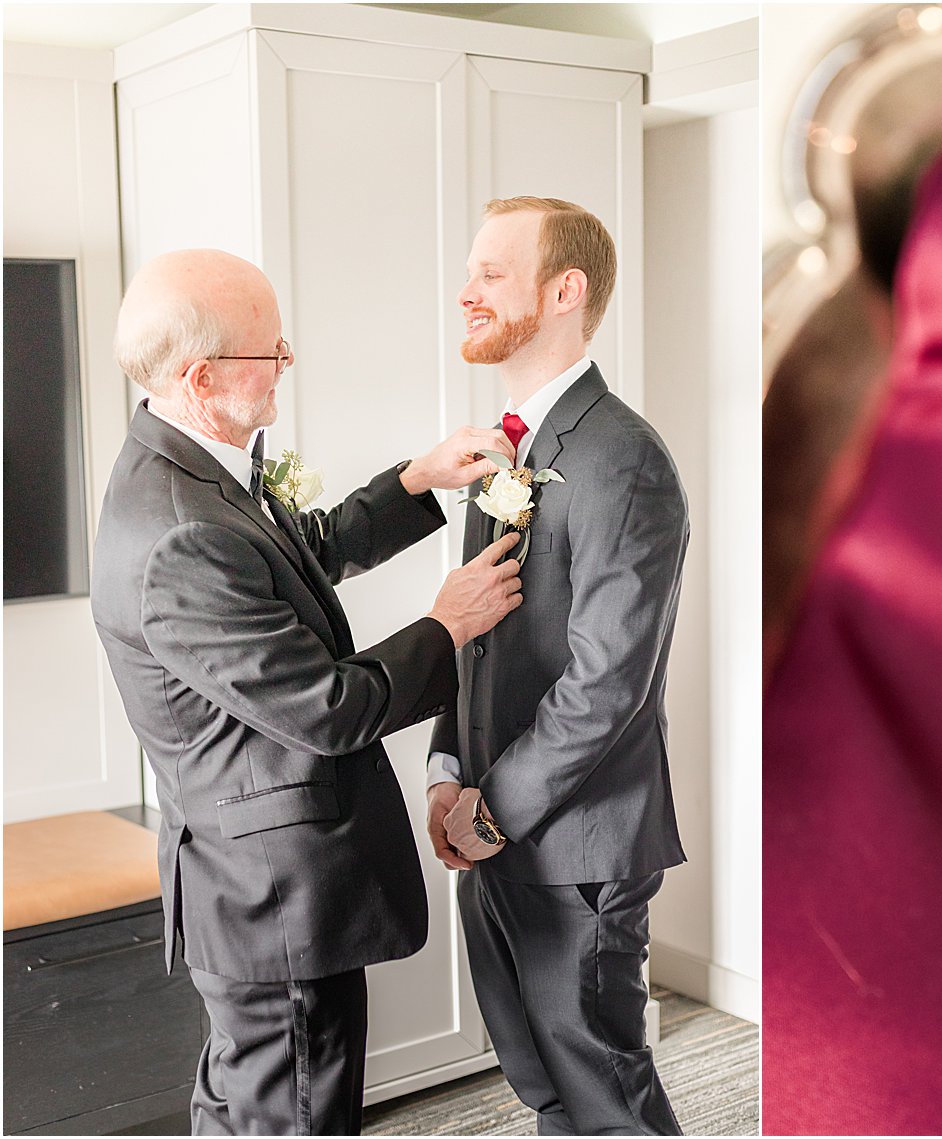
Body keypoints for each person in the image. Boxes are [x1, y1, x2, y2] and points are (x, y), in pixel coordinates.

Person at [91, 248, 524, 1135]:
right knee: (297, 1116)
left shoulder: (188, 461)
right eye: (272, 352)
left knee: (249, 1107)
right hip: (269, 895)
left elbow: (294, 557)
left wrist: (416, 482)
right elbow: (327, 709)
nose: (287, 364)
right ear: (202, 375)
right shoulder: (178, 533)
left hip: (248, 882)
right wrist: (450, 625)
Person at [426, 196, 689, 1135]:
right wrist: (447, 768)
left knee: (605, 1094)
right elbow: (475, 633)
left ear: (565, 290)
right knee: (548, 1089)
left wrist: (489, 810)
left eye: (491, 274)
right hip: (494, 828)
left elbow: (606, 683)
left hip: (577, 848)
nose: (466, 293)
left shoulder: (626, 460)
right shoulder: (504, 451)